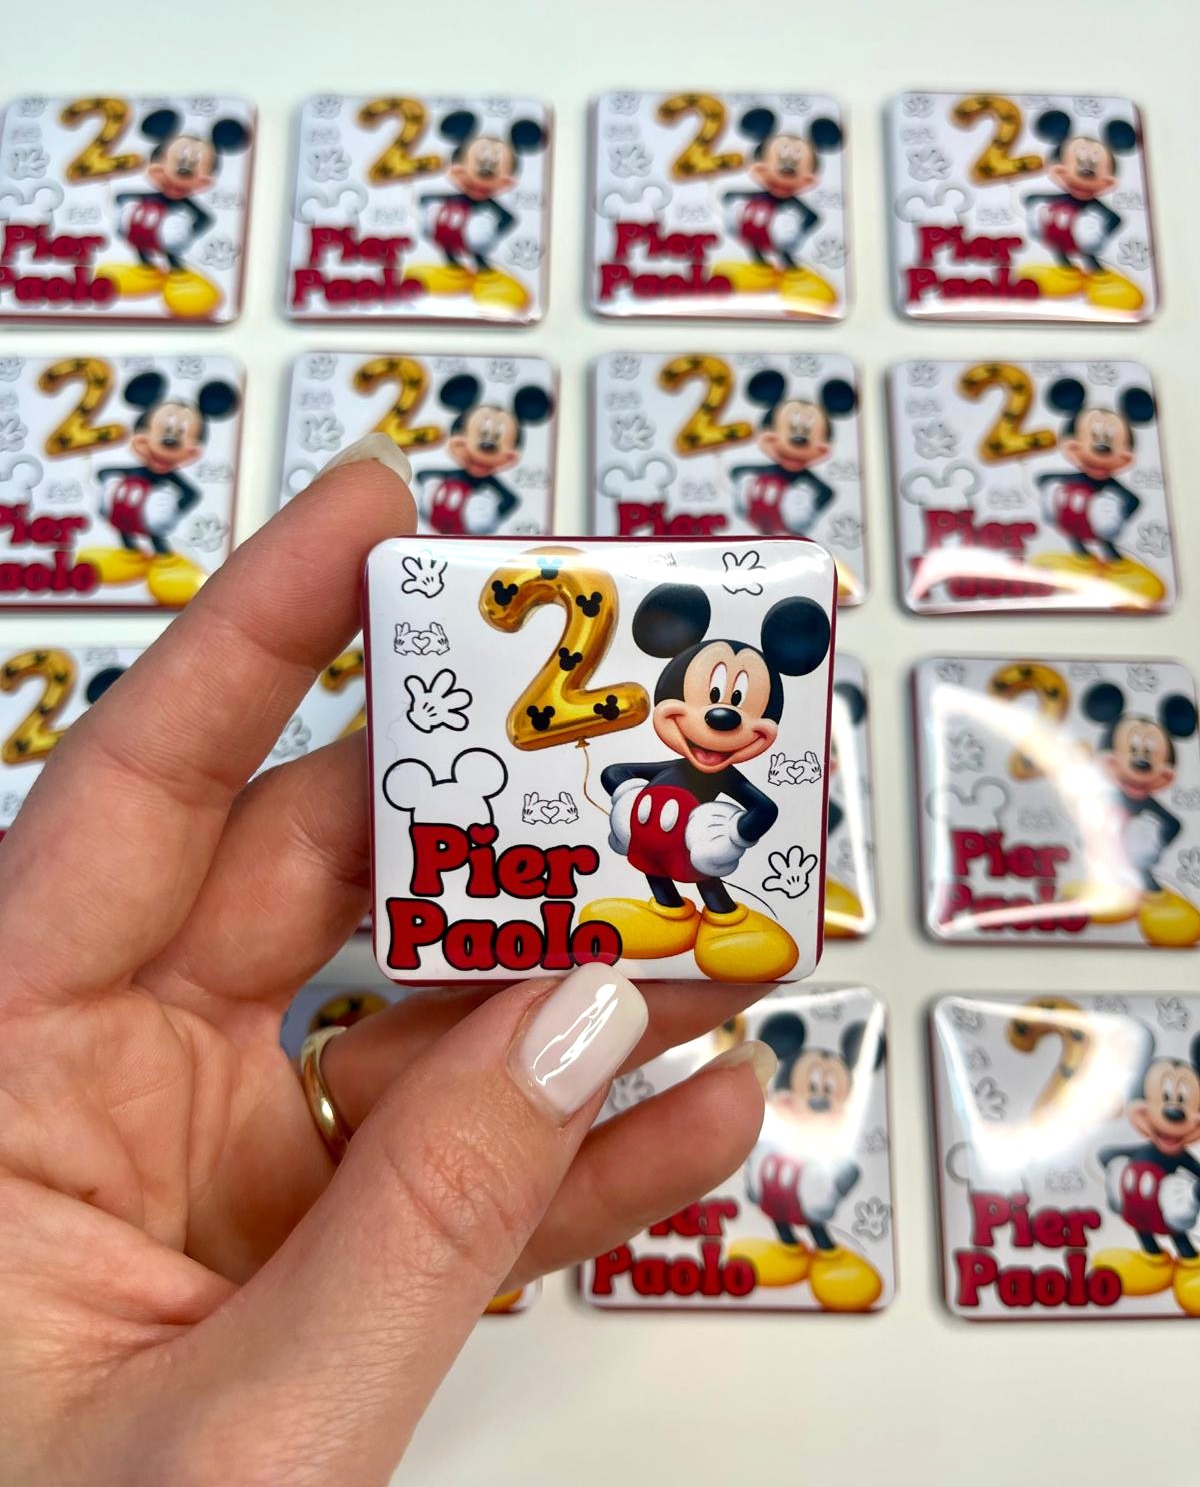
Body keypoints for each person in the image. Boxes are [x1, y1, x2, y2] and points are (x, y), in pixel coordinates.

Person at [0, 435, 773, 1485]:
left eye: (743, 698)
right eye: (705, 692)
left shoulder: (716, 769)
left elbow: (744, 802)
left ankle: (693, 899)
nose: (721, 713)